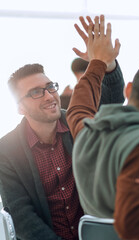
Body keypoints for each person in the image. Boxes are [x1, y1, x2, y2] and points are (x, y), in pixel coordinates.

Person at [0, 15, 124, 240]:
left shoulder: (76, 122)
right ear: (20, 107)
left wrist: (107, 63)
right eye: (36, 92)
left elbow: (112, 102)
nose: (49, 96)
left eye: (50, 87)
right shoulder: (6, 150)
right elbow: (22, 217)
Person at [67, 15, 139, 240]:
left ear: (128, 90)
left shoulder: (88, 133)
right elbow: (136, 222)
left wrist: (99, 63)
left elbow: (77, 110)